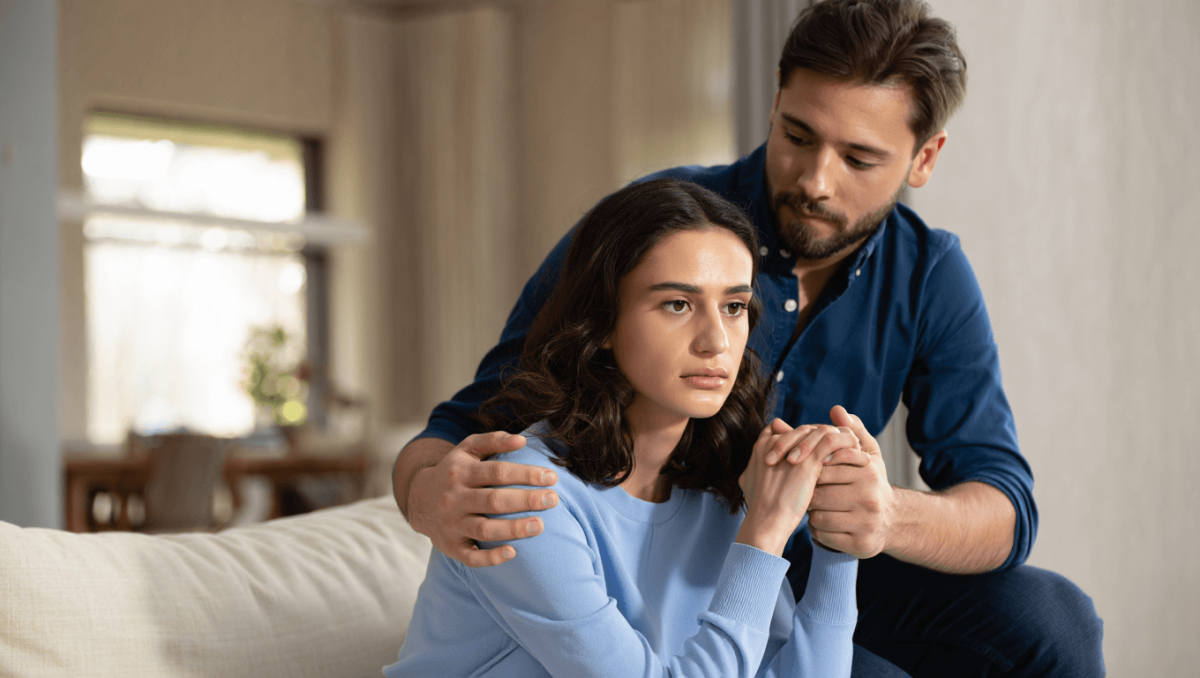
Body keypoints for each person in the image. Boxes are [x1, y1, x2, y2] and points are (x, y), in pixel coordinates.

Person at [392, 1, 1105, 675]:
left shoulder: (930, 274)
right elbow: (470, 420)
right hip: (708, 556)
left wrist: (877, 516)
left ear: (923, 159)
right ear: (774, 102)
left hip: (804, 549)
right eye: (798, 136)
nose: (815, 181)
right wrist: (428, 496)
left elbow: (1004, 504)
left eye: (858, 158)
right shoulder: (655, 231)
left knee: (1059, 620)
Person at [387, 179, 872, 677]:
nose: (716, 341)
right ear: (602, 323)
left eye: (734, 307)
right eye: (677, 304)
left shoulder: (721, 488)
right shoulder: (525, 491)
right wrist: (766, 533)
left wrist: (839, 548)